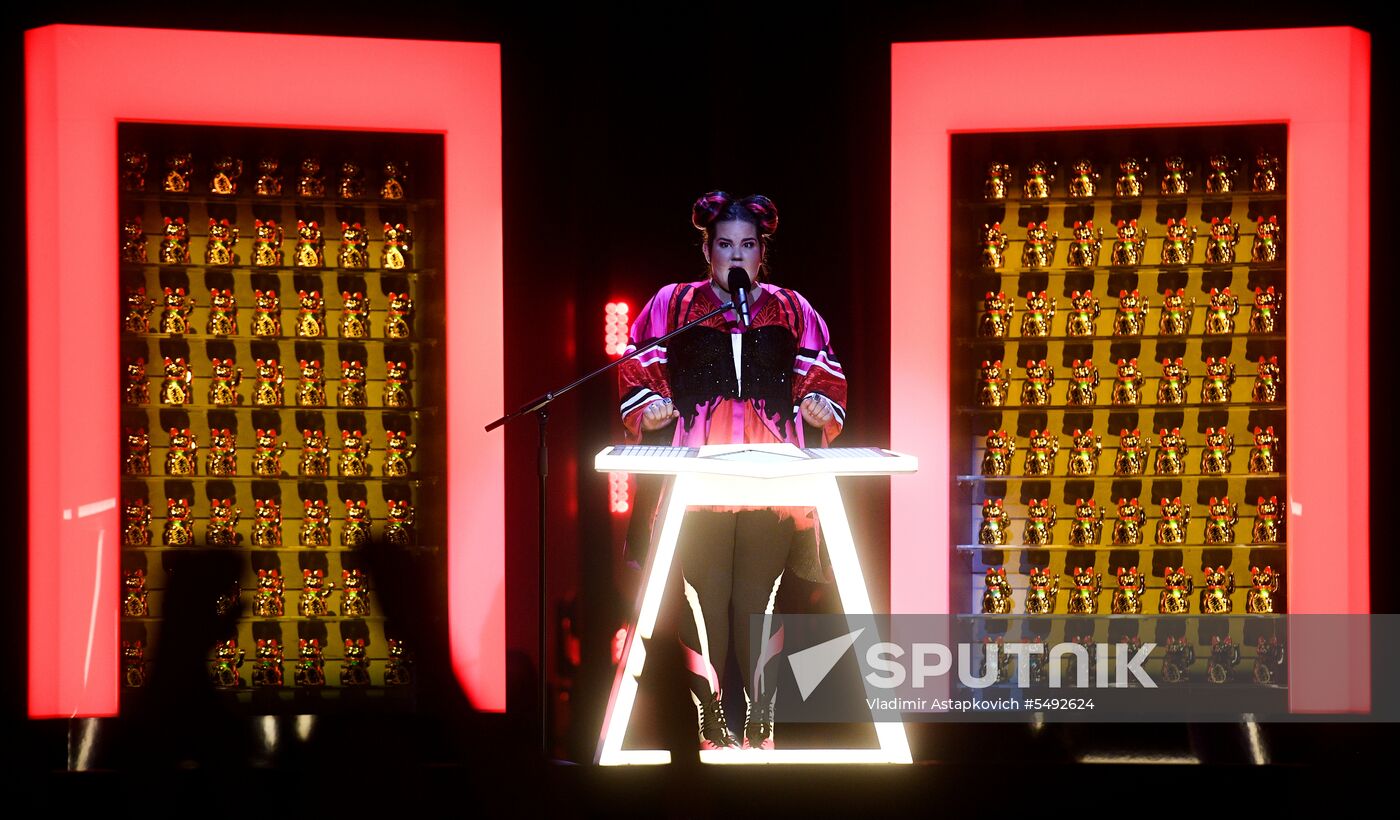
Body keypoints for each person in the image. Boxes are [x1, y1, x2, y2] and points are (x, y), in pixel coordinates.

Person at [617, 191, 847, 750]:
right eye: (725, 245)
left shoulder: (792, 308)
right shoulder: (673, 304)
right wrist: (650, 408)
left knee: (756, 599)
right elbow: (636, 368)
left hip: (771, 475)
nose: (736, 255)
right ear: (707, 250)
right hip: (699, 474)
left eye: (747, 245)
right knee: (705, 597)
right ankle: (711, 714)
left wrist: (821, 407)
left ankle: (762, 714)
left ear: (762, 252)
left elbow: (822, 378)